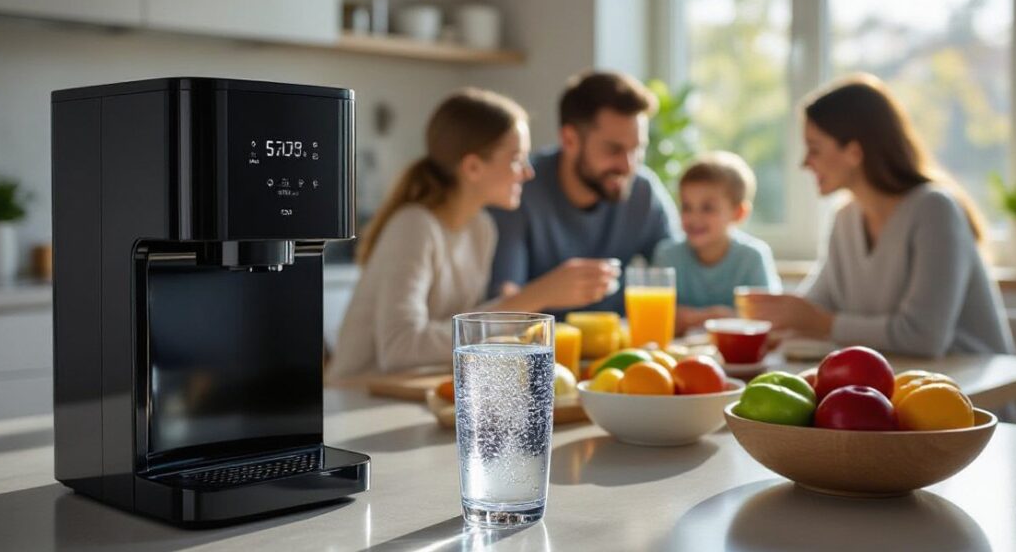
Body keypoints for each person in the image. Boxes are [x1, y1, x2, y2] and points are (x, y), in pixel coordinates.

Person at [327, 88, 618, 379]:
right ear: (473, 167)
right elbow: (401, 348)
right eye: (517, 159)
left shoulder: (481, 229)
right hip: (356, 400)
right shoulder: (415, 226)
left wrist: (511, 309)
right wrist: (530, 299)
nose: (528, 173)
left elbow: (460, 332)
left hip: (411, 396)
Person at [745, 74, 1016, 359]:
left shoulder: (934, 210)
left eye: (814, 149)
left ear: (854, 152)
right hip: (895, 389)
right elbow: (815, 304)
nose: (804, 163)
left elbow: (923, 337)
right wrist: (752, 323)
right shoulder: (845, 218)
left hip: (970, 394)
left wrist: (820, 323)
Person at [488, 70, 680, 315]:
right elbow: (502, 301)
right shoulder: (517, 190)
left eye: (637, 149)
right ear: (569, 140)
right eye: (614, 149)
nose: (628, 166)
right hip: (544, 349)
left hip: (619, 347)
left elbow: (682, 270)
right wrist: (548, 290)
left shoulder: (643, 192)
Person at [653, 151, 781, 335]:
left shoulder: (752, 257)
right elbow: (658, 318)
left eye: (708, 208)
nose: (694, 217)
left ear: (738, 213)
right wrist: (714, 316)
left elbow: (766, 320)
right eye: (687, 207)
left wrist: (692, 317)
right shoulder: (667, 255)